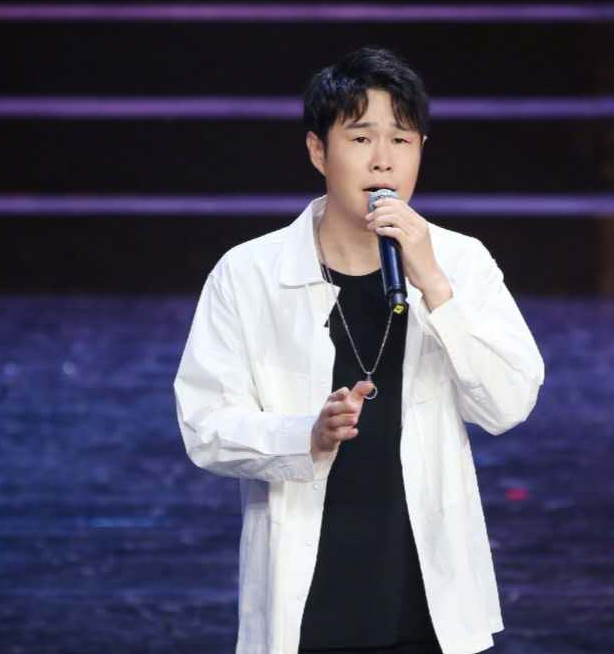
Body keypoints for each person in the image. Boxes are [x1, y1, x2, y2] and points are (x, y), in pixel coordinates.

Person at [173, 45, 545, 654]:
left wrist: (436, 287)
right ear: (318, 151)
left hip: (429, 597)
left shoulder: (459, 262)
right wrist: (306, 435)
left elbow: (508, 404)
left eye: (401, 140)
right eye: (361, 138)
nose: (383, 160)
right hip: (309, 596)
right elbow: (204, 424)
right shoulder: (249, 273)